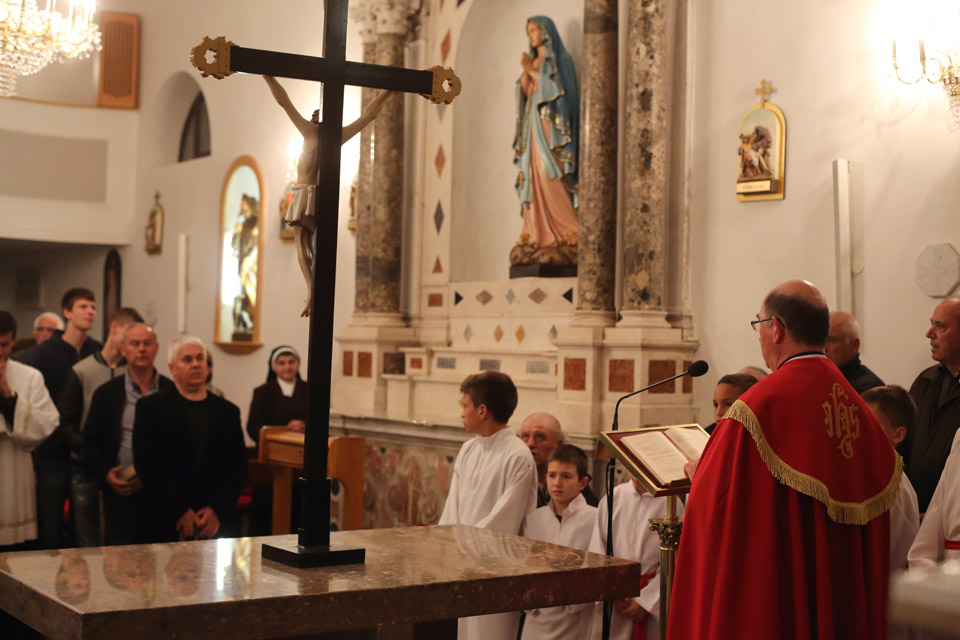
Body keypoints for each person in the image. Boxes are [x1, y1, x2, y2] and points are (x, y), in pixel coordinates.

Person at [667, 280, 901, 640]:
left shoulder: (757, 409)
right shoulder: (860, 411)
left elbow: (719, 505)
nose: (759, 334)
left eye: (758, 324)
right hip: (841, 606)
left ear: (776, 328)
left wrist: (701, 475)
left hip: (777, 601)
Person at [264, 75, 392, 316]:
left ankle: (313, 289)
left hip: (307, 194)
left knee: (304, 243)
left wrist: (266, 75)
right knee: (306, 244)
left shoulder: (313, 132)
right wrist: (387, 91)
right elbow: (368, 115)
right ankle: (313, 289)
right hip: (315, 195)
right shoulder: (331, 136)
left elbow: (285, 102)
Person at [438, 371, 538, 640]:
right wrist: (443, 549)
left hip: (496, 571)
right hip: (462, 567)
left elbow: (504, 519)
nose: (461, 413)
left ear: (482, 410)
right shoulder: (469, 449)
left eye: (465, 406)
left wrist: (463, 550)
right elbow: (452, 509)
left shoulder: (517, 455)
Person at [133, 336, 247, 542]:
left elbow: (238, 466)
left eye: (199, 358)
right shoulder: (151, 408)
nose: (195, 364)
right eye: (187, 359)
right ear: (172, 367)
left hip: (214, 521)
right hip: (164, 516)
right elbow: (146, 463)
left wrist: (215, 509)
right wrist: (180, 510)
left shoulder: (228, 411)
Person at [58, 307, 142, 547]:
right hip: (86, 468)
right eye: (129, 334)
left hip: (125, 473)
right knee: (88, 543)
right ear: (114, 328)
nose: (132, 343)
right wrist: (89, 453)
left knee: (122, 543)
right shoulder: (82, 370)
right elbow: (66, 420)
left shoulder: (133, 372)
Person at [82, 323, 173, 545]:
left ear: (157, 348)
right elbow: (90, 441)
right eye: (135, 344)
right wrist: (106, 474)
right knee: (122, 568)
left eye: (147, 343)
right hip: (122, 492)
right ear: (124, 350)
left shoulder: (171, 391)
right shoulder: (107, 393)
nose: (141, 349)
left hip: (163, 495)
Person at [29, 287, 102, 549]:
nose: (90, 312)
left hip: (86, 451)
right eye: (83, 306)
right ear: (67, 312)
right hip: (53, 449)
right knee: (49, 525)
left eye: (93, 307)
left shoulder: (97, 351)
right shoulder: (43, 353)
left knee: (84, 530)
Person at [511, 16, 580, 267]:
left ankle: (568, 230)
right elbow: (527, 96)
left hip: (551, 132)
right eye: (528, 31)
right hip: (532, 128)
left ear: (546, 32)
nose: (530, 35)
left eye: (534, 30)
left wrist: (531, 71)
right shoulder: (535, 62)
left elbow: (559, 94)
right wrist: (525, 78)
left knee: (551, 175)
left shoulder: (561, 61)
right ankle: (536, 233)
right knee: (532, 176)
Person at [585, 475, 679, 640]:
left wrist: (646, 602)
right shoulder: (613, 497)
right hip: (614, 599)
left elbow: (676, 559)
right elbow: (597, 550)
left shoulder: (671, 502)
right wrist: (612, 592)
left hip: (651, 601)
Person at [520, 445, 596, 640]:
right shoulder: (534, 519)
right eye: (552, 475)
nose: (557, 483)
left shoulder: (595, 519)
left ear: (583, 482)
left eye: (566, 476)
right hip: (538, 615)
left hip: (575, 616)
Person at [0, 311, 59, 548]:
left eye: (3, 344)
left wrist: (8, 396)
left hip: (14, 463)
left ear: (14, 340)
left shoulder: (30, 376)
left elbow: (48, 422)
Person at [903, 296, 960, 514]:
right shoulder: (925, 381)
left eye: (940, 326)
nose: (929, 334)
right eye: (931, 324)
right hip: (917, 511)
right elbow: (903, 443)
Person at [862, 385, 919, 572]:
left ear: (899, 434)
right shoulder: (863, 474)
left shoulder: (897, 489)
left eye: (871, 425)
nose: (859, 432)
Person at [519, 412, 597, 507]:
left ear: (558, 444)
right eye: (525, 436)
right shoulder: (517, 476)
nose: (530, 444)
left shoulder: (575, 487)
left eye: (540, 437)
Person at [247, 345, 308, 445]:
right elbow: (253, 427)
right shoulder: (263, 392)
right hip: (273, 448)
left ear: (298, 363)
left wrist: (305, 427)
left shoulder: (309, 390)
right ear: (274, 367)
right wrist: (284, 430)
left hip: (304, 447)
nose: (287, 367)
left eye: (291, 362)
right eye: (281, 363)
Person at [825, 310, 884, 394]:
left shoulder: (870, 389)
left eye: (831, 340)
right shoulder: (821, 379)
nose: (824, 348)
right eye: (821, 341)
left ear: (854, 346)